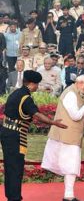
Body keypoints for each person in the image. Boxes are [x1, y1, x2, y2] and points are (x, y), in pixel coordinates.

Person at [0, 70, 67, 201]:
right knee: (15, 167)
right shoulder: (26, 98)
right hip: (15, 135)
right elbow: (36, 114)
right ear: (31, 84)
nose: (37, 86)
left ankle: (11, 195)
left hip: (6, 132)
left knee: (10, 166)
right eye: (37, 84)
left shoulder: (16, 93)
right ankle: (14, 198)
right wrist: (52, 122)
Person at [41, 75, 84, 201]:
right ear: (79, 83)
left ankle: (69, 195)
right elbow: (75, 116)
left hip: (70, 135)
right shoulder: (70, 94)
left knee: (71, 166)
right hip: (66, 135)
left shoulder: (75, 92)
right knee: (70, 166)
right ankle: (68, 196)